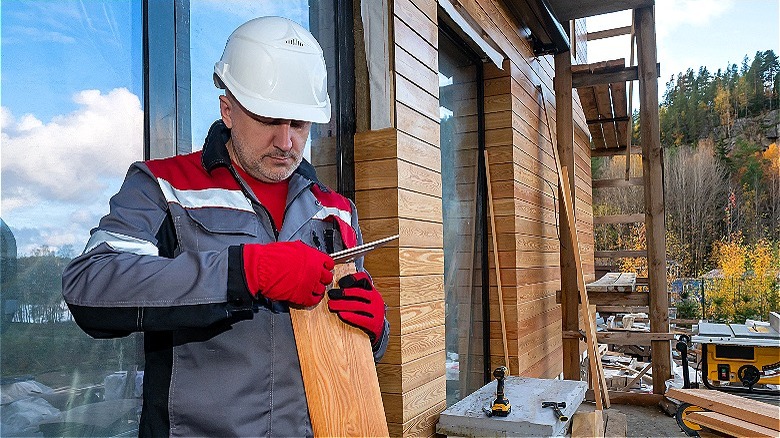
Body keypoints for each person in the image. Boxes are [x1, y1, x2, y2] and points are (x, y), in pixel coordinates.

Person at [62, 16, 389, 437]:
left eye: (300, 123)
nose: (287, 142)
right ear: (228, 109)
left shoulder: (336, 210)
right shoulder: (163, 187)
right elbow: (91, 286)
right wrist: (244, 272)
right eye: (270, 120)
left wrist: (375, 332)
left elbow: (355, 341)